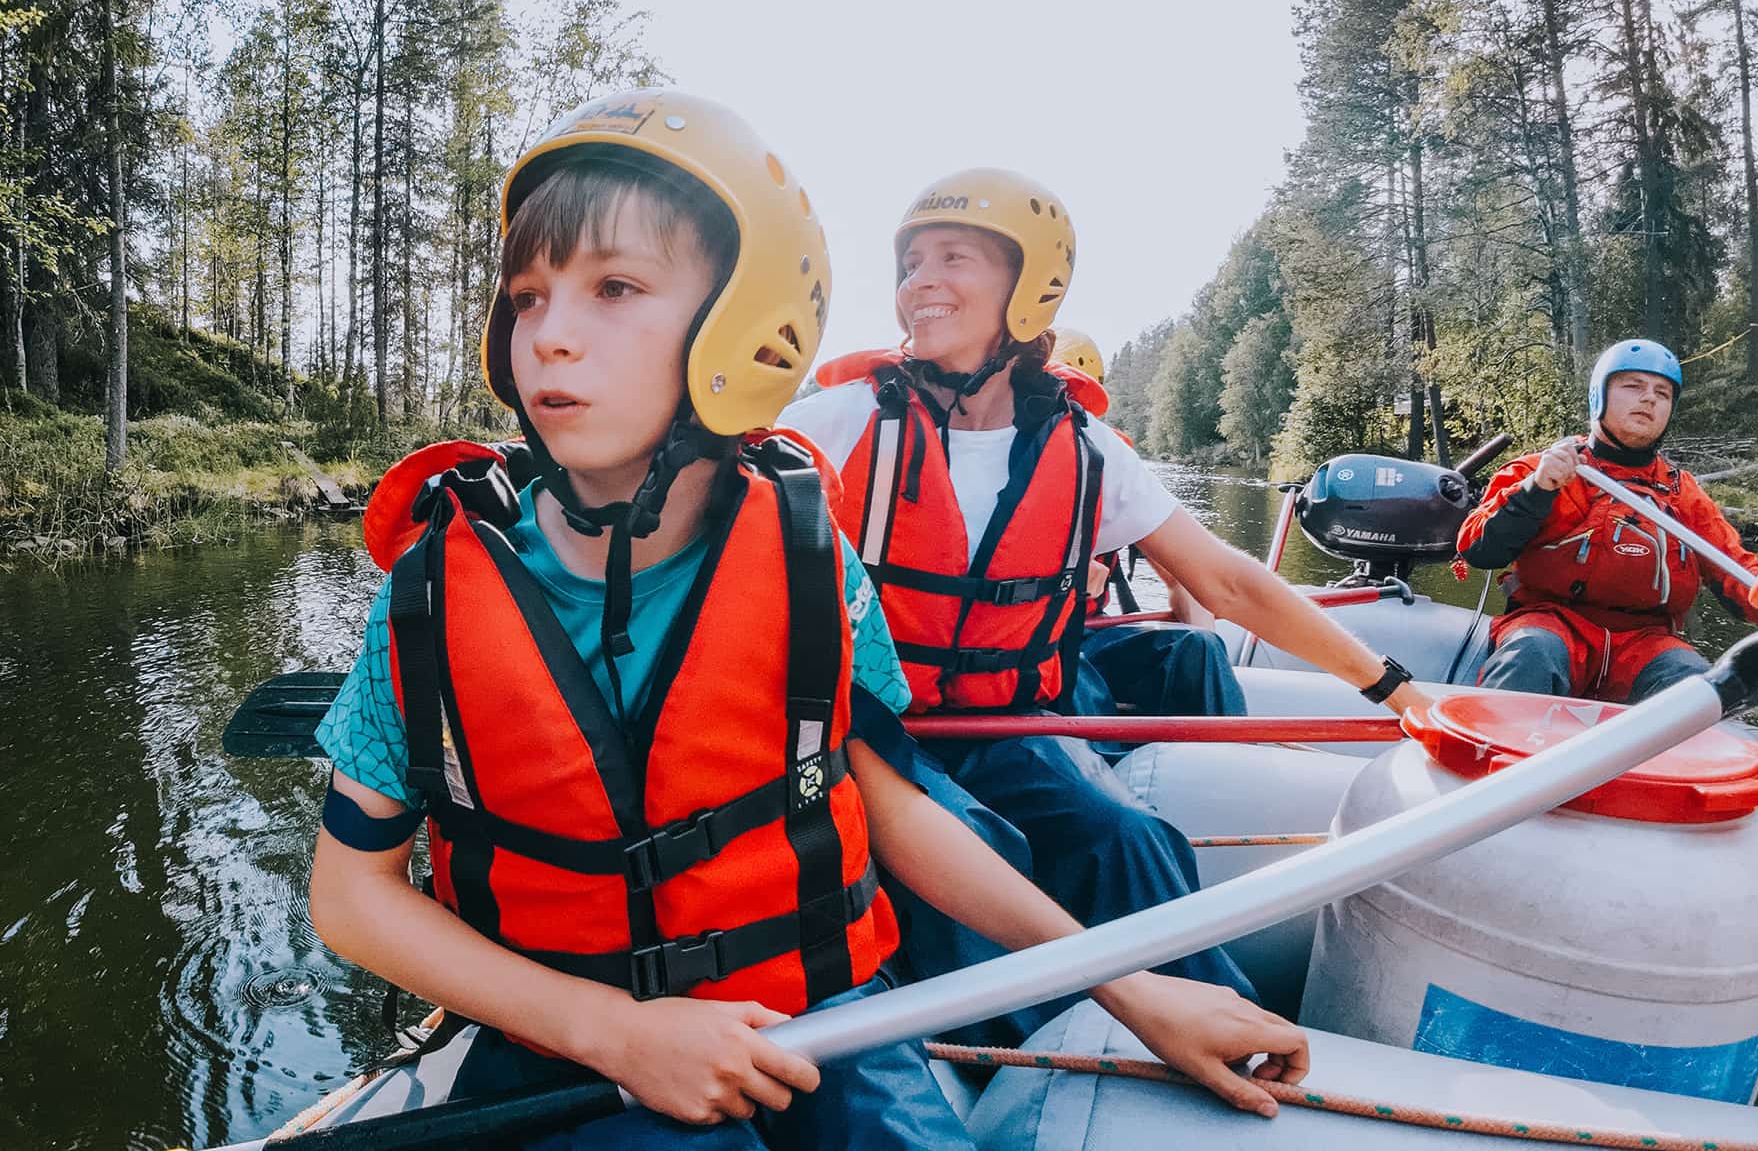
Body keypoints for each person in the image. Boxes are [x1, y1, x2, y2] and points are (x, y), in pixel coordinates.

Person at [306, 91, 1311, 1151]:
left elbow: (893, 805)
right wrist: (613, 1030)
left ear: (745, 325)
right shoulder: (435, 583)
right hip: (566, 1042)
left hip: (821, 1011)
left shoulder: (806, 556)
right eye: (529, 295)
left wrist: (1133, 990)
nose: (549, 337)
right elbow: (351, 894)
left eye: (613, 289)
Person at [780, 167, 1429, 1045]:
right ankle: (1061, 1049)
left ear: (1028, 286)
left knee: (1127, 836)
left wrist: (1392, 687)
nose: (919, 283)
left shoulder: (1086, 448)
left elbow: (1230, 582)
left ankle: (1228, 1024)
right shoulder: (849, 417)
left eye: (953, 258)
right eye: (911, 263)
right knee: (979, 844)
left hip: (1010, 726)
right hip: (880, 738)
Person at [1457, 338, 1758, 702]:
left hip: (1645, 643)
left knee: (1696, 690)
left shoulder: (1683, 493)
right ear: (1599, 396)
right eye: (1633, 386)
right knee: (1531, 654)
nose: (1649, 399)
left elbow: (1735, 567)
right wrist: (1537, 489)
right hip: (1551, 625)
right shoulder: (1544, 470)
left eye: (1662, 393)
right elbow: (1477, 548)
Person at [1046, 327, 1246, 724]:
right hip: (1025, 647)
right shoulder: (990, 458)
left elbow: (1181, 581)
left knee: (1199, 648)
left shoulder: (1106, 462)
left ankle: (1231, 755)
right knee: (1075, 679)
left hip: (1088, 634)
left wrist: (1207, 641)